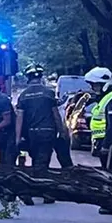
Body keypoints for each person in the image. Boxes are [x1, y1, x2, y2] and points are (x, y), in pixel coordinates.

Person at [14, 63, 68, 204]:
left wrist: (18, 138)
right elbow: (56, 115)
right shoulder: (48, 93)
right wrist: (61, 131)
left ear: (28, 78)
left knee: (37, 161)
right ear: (40, 77)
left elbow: (20, 118)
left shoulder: (23, 96)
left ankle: (33, 190)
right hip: (47, 132)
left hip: (31, 134)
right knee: (42, 163)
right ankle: (43, 192)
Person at [0, 71, 35, 206]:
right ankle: (5, 188)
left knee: (10, 161)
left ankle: (16, 192)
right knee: (2, 160)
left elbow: (7, 120)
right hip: (1, 134)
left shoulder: (3, 99)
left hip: (11, 132)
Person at [85, 66, 112, 215]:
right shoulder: (106, 98)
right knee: (107, 172)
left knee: (109, 175)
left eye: (95, 85)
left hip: (108, 141)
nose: (93, 88)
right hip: (103, 140)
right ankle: (110, 203)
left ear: (104, 83)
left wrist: (107, 145)